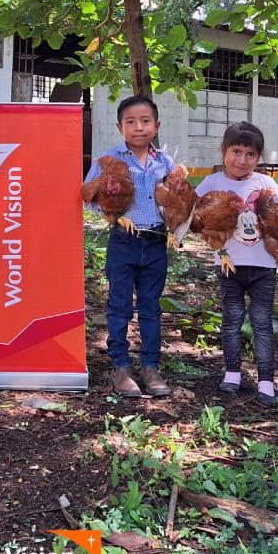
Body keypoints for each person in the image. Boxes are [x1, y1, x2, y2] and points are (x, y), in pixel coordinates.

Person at [82, 95, 175, 398]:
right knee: (120, 307)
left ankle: (150, 366)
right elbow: (89, 196)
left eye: (145, 121)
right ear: (120, 126)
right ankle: (120, 366)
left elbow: (175, 200)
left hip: (156, 242)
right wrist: (112, 215)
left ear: (156, 125)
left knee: (150, 307)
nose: (138, 127)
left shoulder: (165, 162)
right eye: (131, 122)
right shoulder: (110, 160)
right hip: (123, 243)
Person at [196, 122, 278, 407]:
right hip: (228, 265)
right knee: (232, 319)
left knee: (262, 323)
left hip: (264, 265)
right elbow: (194, 216)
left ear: (258, 157)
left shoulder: (265, 184)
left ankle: (266, 382)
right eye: (236, 151)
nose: (242, 160)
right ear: (224, 151)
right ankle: (232, 373)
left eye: (250, 154)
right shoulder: (211, 183)